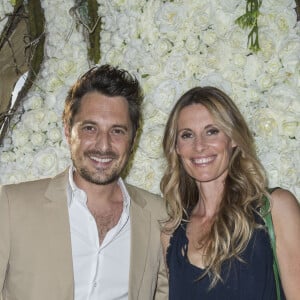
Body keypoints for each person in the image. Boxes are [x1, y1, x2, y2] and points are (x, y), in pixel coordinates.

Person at [0, 64, 168, 300]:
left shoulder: (159, 215)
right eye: (90, 128)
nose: (103, 145)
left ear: (133, 138)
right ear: (68, 130)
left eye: (117, 131)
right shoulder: (11, 206)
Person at [160, 86, 300, 299]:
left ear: (233, 138)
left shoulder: (275, 208)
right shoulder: (171, 233)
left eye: (212, 131)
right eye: (187, 135)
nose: (200, 146)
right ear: (177, 147)